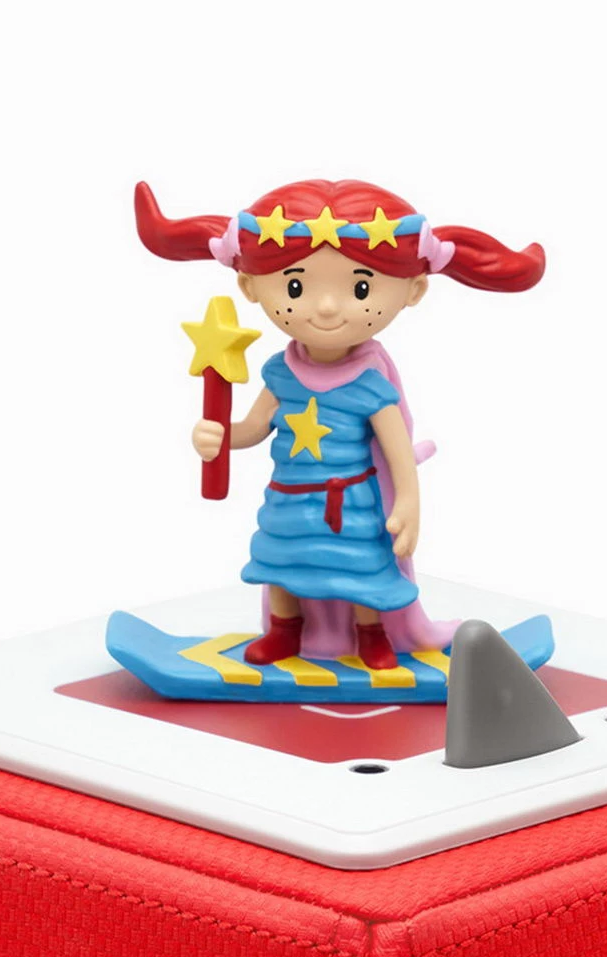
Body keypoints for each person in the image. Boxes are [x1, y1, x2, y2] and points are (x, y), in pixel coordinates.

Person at [135, 180, 544, 668]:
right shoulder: (282, 373)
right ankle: (285, 631)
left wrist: (409, 503)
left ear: (413, 290)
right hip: (289, 498)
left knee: (361, 569)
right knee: (281, 562)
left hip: (349, 501)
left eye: (360, 288)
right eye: (295, 287)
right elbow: (254, 427)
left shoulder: (369, 382)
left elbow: (397, 449)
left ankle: (370, 633)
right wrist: (220, 437)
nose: (327, 307)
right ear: (249, 286)